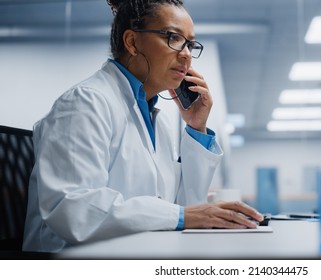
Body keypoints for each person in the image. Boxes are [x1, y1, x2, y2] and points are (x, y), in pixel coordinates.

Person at [23, 0, 263, 253]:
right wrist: (181, 216)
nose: (186, 54)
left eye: (190, 44)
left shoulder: (154, 117)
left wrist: (196, 127)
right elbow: (74, 210)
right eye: (173, 37)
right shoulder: (84, 103)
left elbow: (181, 208)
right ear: (132, 42)